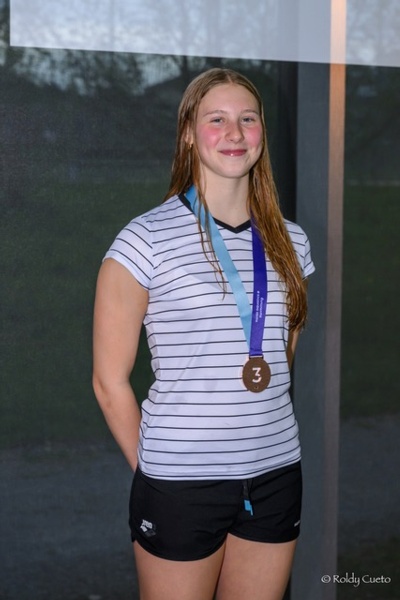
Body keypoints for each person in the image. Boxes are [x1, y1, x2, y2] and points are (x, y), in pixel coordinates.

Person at [92, 67, 315, 600]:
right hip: (180, 482)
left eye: (248, 119)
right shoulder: (144, 240)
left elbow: (280, 357)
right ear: (189, 133)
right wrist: (158, 472)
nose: (235, 133)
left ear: (261, 132)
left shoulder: (292, 242)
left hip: (277, 471)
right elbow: (108, 382)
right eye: (217, 120)